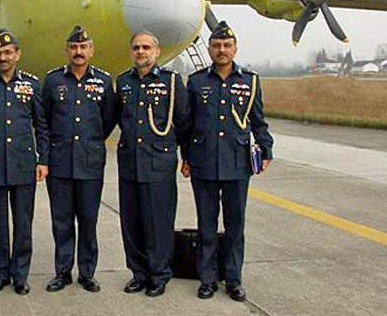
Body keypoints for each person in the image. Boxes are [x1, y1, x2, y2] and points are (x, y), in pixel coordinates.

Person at [181, 21, 274, 302]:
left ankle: (233, 279)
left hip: (237, 163)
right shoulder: (196, 82)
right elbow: (187, 124)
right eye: (217, 46)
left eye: (227, 46)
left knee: (235, 226)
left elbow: (258, 121)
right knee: (206, 224)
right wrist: (185, 156)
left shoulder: (250, 81)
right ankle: (208, 278)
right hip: (203, 162)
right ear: (209, 49)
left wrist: (266, 150)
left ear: (235, 49)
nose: (222, 50)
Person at [0, 29, 49, 295]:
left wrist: (43, 160)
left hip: (23, 165)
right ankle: (1, 272)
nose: (3, 57)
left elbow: (41, 126)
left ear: (17, 54)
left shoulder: (31, 85)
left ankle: (20, 275)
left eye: (7, 52)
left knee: (23, 224)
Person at [115, 30, 190, 297]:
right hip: (130, 163)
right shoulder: (123, 82)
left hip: (159, 163)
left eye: (146, 47)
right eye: (136, 47)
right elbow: (113, 118)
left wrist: (187, 158)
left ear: (157, 52)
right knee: (131, 222)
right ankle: (138, 273)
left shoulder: (171, 83)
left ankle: (159, 275)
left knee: (158, 223)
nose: (141, 52)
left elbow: (183, 123)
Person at [41, 25, 115, 293]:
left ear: (91, 50)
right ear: (67, 51)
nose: (79, 52)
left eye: (83, 47)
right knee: (61, 221)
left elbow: (107, 120)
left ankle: (87, 272)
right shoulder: (52, 81)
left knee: (88, 219)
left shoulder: (104, 82)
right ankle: (62, 272)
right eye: (74, 47)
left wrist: (90, 142)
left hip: (90, 163)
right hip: (60, 163)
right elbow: (44, 121)